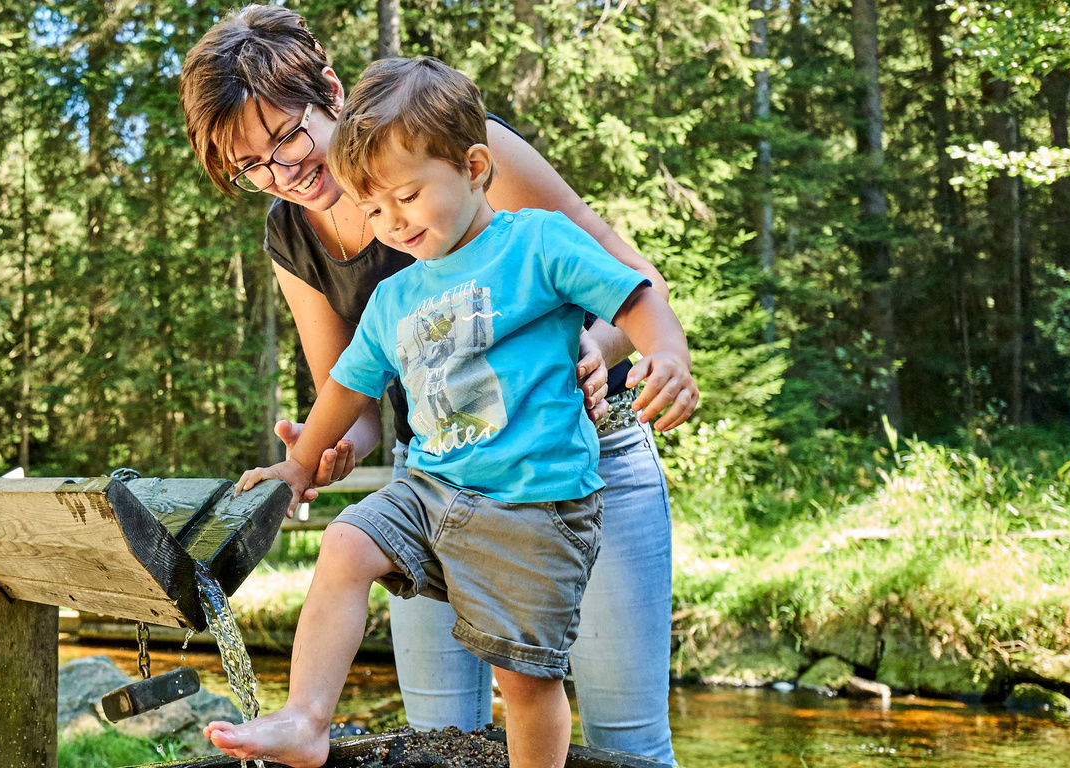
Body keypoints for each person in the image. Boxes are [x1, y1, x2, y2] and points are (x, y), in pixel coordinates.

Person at [178, 6, 692, 762]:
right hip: (441, 474)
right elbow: (351, 397)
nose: (284, 175)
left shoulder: (444, 146)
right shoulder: (291, 235)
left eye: (287, 137)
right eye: (254, 167)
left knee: (625, 743)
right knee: (437, 742)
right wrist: (320, 450)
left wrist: (600, 341)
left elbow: (617, 270)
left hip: (580, 463)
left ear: (330, 88)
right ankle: (302, 721)